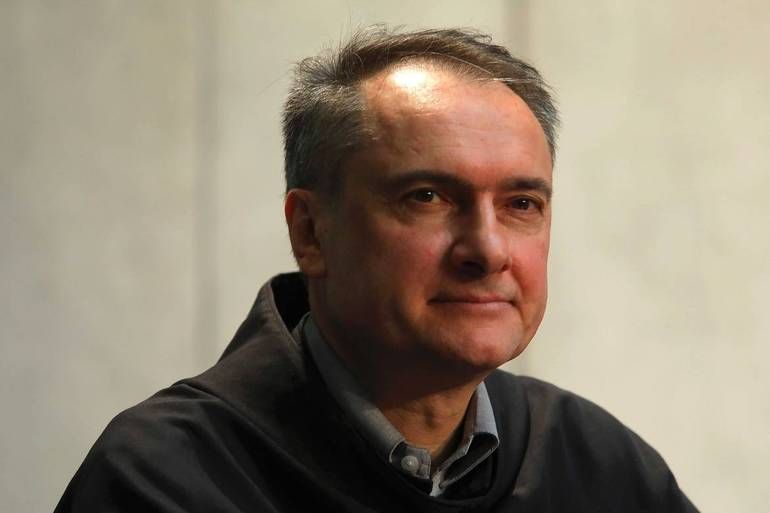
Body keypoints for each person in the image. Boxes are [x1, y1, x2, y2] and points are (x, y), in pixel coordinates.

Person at [55, 27, 698, 512]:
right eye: (428, 196)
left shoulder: (598, 465)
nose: (487, 249)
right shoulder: (170, 478)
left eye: (521, 204)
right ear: (310, 231)